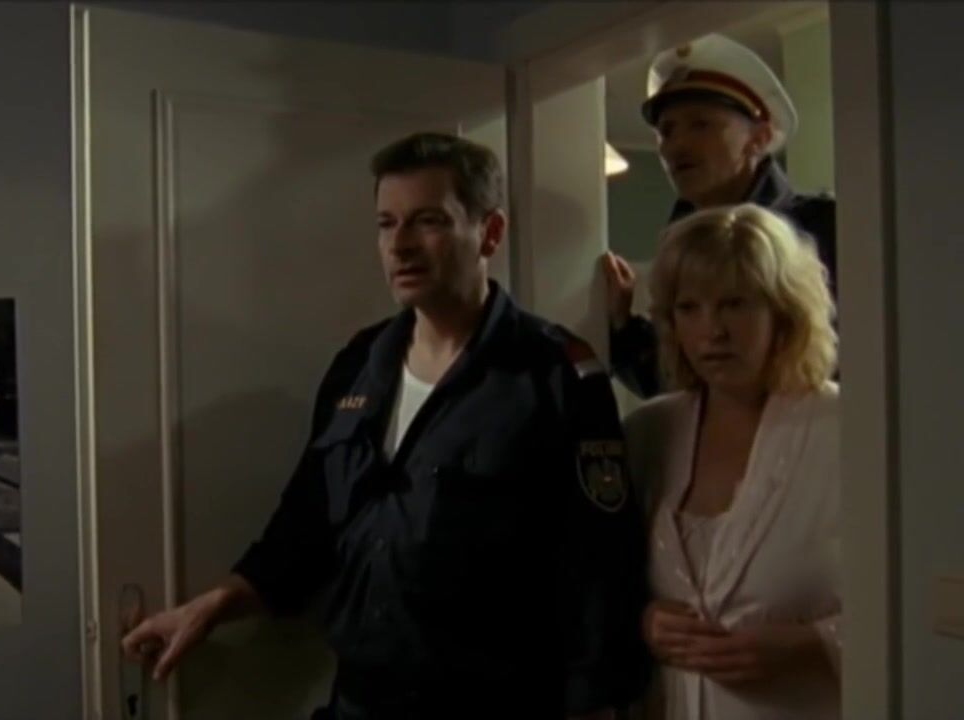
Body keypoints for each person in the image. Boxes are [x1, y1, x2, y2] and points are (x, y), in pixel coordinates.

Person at [122, 132, 650, 719]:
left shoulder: (555, 374)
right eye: (386, 224)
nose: (400, 245)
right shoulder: (360, 365)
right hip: (360, 701)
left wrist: (595, 707)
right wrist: (213, 606)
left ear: (490, 233)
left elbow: (601, 567)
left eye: (428, 221)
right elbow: (304, 525)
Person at [623, 204, 841, 719]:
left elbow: (919, 597)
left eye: (735, 305)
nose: (712, 331)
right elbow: (602, 580)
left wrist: (810, 644)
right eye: (689, 308)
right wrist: (643, 620)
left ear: (783, 312)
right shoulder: (648, 433)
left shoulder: (848, 430)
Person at [603, 33, 837, 400]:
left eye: (701, 124)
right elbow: (680, 385)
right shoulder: (679, 248)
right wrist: (622, 326)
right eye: (666, 131)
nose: (676, 146)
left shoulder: (825, 229)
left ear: (759, 138)